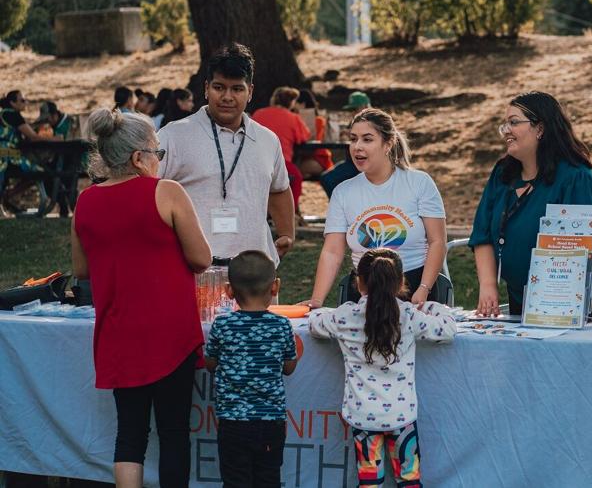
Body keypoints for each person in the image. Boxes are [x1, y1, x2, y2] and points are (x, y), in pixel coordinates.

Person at [71, 108, 212, 487]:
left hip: (118, 331)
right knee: (174, 431)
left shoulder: (85, 200)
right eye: (158, 153)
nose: (158, 161)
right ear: (138, 157)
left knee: (129, 435)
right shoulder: (166, 192)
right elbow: (202, 259)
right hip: (170, 333)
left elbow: (81, 269)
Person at [308, 248, 456, 487]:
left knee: (370, 482)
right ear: (400, 283)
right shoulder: (408, 315)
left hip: (362, 416)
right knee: (409, 479)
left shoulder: (346, 316)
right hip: (401, 416)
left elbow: (315, 324)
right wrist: (435, 307)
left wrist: (328, 309)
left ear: (359, 282)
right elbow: (447, 330)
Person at [158, 42, 295, 266]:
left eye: (237, 89)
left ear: (250, 91)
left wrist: (287, 233)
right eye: (219, 87)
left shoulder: (267, 140)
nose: (227, 97)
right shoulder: (173, 135)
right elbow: (148, 192)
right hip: (192, 269)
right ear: (205, 88)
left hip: (255, 272)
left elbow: (279, 188)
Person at [470, 91, 592, 316]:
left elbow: (580, 249)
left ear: (540, 129)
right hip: (517, 301)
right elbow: (482, 235)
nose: (507, 131)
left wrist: (550, 302)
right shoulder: (502, 174)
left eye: (513, 122)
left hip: (563, 304)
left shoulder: (576, 179)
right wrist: (488, 286)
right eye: (505, 125)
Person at [303, 108, 447, 308]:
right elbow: (332, 251)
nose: (357, 147)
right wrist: (316, 301)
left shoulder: (419, 183)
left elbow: (437, 241)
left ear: (388, 144)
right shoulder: (343, 192)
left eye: (367, 139)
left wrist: (423, 289)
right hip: (363, 293)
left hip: (414, 290)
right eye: (353, 139)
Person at [205, 250, 298, 487]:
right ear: (275, 287)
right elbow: (288, 368)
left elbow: (210, 363)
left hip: (232, 423)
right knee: (268, 479)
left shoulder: (222, 324)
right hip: (270, 423)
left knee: (235, 480)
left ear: (229, 290)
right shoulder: (282, 325)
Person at [251, 86, 311, 209]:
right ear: (291, 103)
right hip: (282, 163)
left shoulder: (258, 114)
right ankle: (292, 211)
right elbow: (304, 137)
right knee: (296, 177)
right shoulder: (293, 118)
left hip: (256, 163)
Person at [0, 90, 53, 201]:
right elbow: (33, 137)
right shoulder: (13, 115)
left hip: (5, 155)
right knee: (40, 171)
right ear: (12, 103)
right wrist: (55, 139)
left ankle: (8, 195)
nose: (25, 102)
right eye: (22, 100)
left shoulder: (3, 114)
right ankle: (9, 195)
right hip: (7, 156)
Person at [319, 91, 371, 197]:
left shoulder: (372, 121)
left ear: (366, 106)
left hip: (365, 164)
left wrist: (352, 135)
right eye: (351, 110)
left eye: (355, 109)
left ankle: (341, 208)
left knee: (328, 179)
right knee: (326, 178)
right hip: (352, 162)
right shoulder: (355, 121)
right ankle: (341, 207)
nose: (353, 113)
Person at [294, 88, 334, 178]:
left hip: (318, 159)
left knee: (292, 171)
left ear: (302, 104)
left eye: (295, 104)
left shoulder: (319, 121)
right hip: (304, 157)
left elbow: (315, 141)